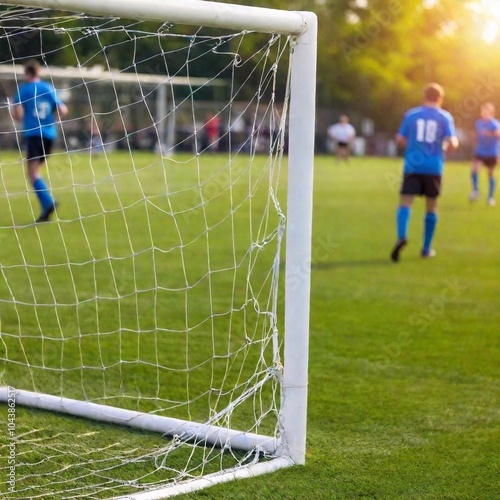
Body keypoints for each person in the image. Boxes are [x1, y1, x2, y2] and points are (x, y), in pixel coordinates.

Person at [391, 83, 458, 262]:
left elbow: (399, 138)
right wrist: (443, 149)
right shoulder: (445, 117)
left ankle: (401, 236)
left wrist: (413, 147)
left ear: (424, 97)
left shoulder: (412, 114)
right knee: (431, 205)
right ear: (440, 99)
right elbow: (453, 143)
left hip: (412, 165)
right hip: (434, 166)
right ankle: (426, 248)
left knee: (405, 202)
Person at [11, 59, 68, 222]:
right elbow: (63, 109)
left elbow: (18, 115)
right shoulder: (48, 88)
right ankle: (45, 211)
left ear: (27, 73)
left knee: (32, 174)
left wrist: (18, 114)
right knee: (37, 173)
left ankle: (49, 202)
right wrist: (51, 119)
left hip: (34, 134)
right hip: (50, 135)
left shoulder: (24, 89)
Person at [469, 103, 500, 206]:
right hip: (480, 151)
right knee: (475, 169)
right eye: (483, 111)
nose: (484, 113)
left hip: (491, 152)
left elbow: (498, 134)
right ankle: (475, 190)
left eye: (486, 111)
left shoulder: (494, 123)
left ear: (491, 113)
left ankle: (490, 197)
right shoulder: (479, 122)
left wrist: (490, 133)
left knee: (490, 174)